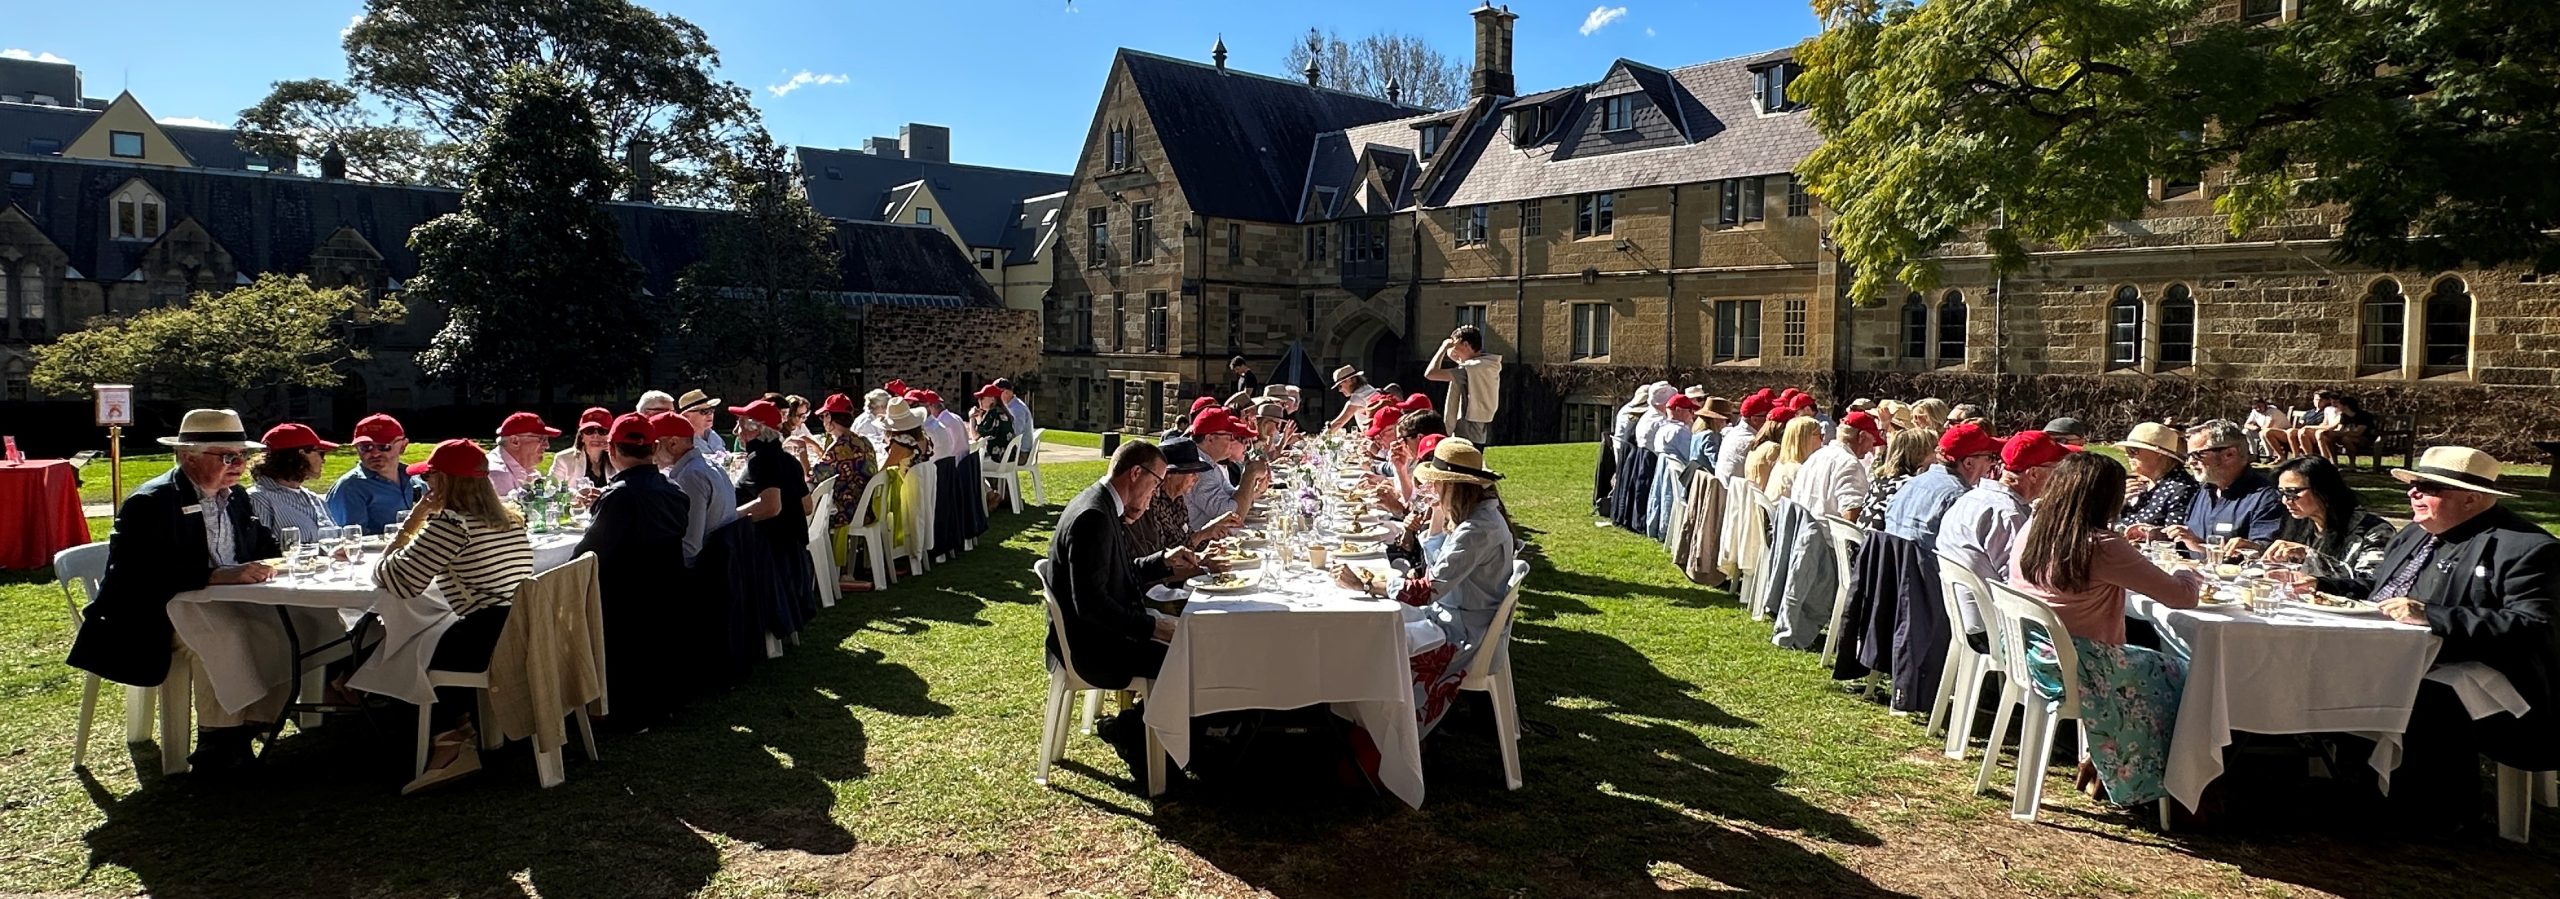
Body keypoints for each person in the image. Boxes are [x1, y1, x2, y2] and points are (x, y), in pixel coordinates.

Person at [2296, 445, 2560, 830]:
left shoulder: (2527, 549)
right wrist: (2322, 584)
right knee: (2323, 666)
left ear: (2472, 498)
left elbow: (2532, 626)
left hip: (2495, 673)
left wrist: (2433, 616)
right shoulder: (2413, 536)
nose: (2413, 493)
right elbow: (2380, 590)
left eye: (2428, 487)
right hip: (2394, 652)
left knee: (2426, 695)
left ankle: (2434, 813)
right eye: (2413, 484)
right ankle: (2352, 781)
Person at [66, 409, 282, 774]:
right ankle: (220, 743)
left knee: (286, 624)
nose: (238, 465)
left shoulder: (236, 498)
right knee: (223, 636)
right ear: (187, 457)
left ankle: (260, 718)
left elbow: (263, 546)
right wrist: (217, 576)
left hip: (223, 604)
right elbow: (139, 574)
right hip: (150, 617)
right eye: (228, 457)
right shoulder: (152, 502)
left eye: (243, 456)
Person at [2010, 452, 2206, 807]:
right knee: (2190, 674)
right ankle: (2163, 784)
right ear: (2109, 499)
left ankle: (2106, 766)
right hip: (2085, 667)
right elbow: (2180, 598)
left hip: (2038, 656)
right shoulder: (2101, 545)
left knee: (2157, 659)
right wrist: (2189, 573)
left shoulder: (2034, 527)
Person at [375, 438, 537, 794]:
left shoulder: (452, 524)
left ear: (444, 481)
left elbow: (394, 579)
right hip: (523, 626)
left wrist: (413, 522)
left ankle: (450, 742)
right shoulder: (510, 518)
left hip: (490, 633)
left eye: (430, 477)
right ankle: (458, 732)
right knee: (430, 634)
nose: (425, 486)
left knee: (408, 648)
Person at [1332, 437, 1518, 737]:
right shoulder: (1477, 516)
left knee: (1377, 646)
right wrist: (1438, 514)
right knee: (1375, 627)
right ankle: (1361, 726)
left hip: (1462, 633)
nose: (1430, 489)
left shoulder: (1476, 530)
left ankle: (1383, 737)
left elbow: (1424, 591)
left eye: (1436, 484)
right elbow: (1437, 570)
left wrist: (1365, 581)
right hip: (1454, 615)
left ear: (1453, 487)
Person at [1046, 441, 1200, 693]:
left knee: (1189, 643)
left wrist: (1163, 561)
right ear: (1136, 473)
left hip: (1100, 635)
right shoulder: (1094, 517)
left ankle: (1155, 724)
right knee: (1191, 656)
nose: (1154, 494)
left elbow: (1116, 572)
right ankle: (1143, 728)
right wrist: (1154, 627)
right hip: (1096, 649)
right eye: (1155, 484)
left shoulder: (1102, 504)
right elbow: (1092, 605)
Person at [573, 413, 690, 729]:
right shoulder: (674, 491)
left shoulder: (621, 495)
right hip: (668, 588)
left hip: (626, 598)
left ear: (613, 451)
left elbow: (586, 556)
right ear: (654, 448)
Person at [1939, 429, 2073, 651]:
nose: (2061, 478)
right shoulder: (2007, 514)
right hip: (1993, 629)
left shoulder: (1972, 497)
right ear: (2034, 474)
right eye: (2056, 470)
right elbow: (2023, 585)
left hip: (1966, 619)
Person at [2260, 456, 2397, 594]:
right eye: (2281, 493)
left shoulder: (2375, 531)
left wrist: (2310, 557)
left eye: (2292, 492)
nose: (2285, 501)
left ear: (2323, 490)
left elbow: (2371, 583)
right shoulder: (2299, 522)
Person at [2164, 419, 2284, 561]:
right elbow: (2187, 542)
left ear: (2229, 455)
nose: (2190, 462)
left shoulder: (2264, 498)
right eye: (2188, 456)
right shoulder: (2204, 492)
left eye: (2197, 455)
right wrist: (2160, 535)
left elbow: (2265, 555)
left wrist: (2201, 546)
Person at [809, 393, 883, 586]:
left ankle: (816, 570)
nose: (823, 420)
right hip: (865, 507)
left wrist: (801, 452)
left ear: (830, 419)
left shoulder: (838, 447)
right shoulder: (863, 441)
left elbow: (813, 477)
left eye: (824, 416)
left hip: (845, 511)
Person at [655, 409, 738, 567]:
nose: (651, 453)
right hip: (724, 564)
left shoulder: (690, 476)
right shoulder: (708, 465)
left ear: (673, 443)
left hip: (708, 573)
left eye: (655, 445)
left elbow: (690, 548)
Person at [1125, 436, 1226, 557]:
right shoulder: (1150, 502)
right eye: (1191, 472)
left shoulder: (1177, 499)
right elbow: (1165, 555)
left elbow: (1186, 539)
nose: (1196, 478)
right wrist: (1205, 533)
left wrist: (1207, 543)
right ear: (1169, 474)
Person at [328, 413, 423, 534]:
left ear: (403, 446)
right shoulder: (351, 488)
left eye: (384, 446)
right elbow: (351, 541)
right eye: (365, 447)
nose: (374, 454)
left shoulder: (417, 478)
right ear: (357, 448)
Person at [247, 422, 338, 542]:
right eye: (321, 453)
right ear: (301, 454)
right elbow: (261, 551)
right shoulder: (259, 498)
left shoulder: (314, 499)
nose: (323, 460)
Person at [1185, 408, 1267, 533]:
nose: (1233, 441)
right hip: (1199, 547)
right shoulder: (1200, 467)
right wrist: (1250, 474)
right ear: (1210, 439)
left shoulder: (1209, 462)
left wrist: (1255, 488)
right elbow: (1233, 515)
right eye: (1230, 436)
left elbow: (1233, 496)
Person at [1791, 410, 1884, 520]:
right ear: (1861, 437)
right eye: (1872, 442)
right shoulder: (1850, 464)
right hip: (1828, 535)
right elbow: (1852, 515)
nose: (1870, 449)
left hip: (1803, 532)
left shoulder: (1815, 457)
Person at [2116, 422, 2200, 542]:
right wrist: (2119, 503)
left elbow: (2175, 538)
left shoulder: (2181, 488)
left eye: (2133, 450)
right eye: (2127, 450)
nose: (2128, 455)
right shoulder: (2141, 484)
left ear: (2158, 453)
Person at [1426, 325, 1504, 446]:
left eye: (1455, 345)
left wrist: (1443, 347)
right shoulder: (1488, 364)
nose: (1453, 348)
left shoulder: (1467, 370)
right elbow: (1455, 356)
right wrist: (1454, 346)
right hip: (1480, 427)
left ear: (1466, 345)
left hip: (1466, 430)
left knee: (1462, 462)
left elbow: (1430, 373)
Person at [1863, 425, 1939, 526]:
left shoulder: (1878, 481)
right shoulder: (1911, 487)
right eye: (1935, 450)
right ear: (1920, 455)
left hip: (1866, 539)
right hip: (1886, 540)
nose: (1939, 455)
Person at [487, 411, 560, 496]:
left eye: (547, 439)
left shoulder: (528, 469)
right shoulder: (498, 475)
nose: (547, 446)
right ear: (515, 441)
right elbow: (508, 509)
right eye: (541, 439)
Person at [551, 407, 615, 494]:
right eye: (589, 431)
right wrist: (577, 495)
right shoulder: (563, 459)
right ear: (582, 436)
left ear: (610, 435)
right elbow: (552, 487)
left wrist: (614, 454)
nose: (595, 436)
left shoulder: (618, 459)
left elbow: (625, 485)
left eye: (602, 431)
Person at [1764, 414, 1825, 501]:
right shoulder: (1800, 470)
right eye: (1820, 436)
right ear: (1806, 439)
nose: (1822, 441)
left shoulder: (1782, 465)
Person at [1716, 392, 1772, 481]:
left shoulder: (1732, 432)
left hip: (1725, 490)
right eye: (1767, 417)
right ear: (1755, 419)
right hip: (1736, 492)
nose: (1770, 421)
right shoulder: (1753, 442)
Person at [676, 389, 728, 465]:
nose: (710, 414)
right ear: (686, 416)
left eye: (711, 410)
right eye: (704, 411)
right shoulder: (683, 442)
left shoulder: (713, 435)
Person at [972, 382, 1018, 461]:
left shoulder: (993, 414)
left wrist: (971, 418)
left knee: (968, 461)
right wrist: (979, 418)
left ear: (992, 399)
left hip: (997, 458)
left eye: (982, 398)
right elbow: (983, 430)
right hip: (1009, 457)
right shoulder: (1002, 411)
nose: (979, 401)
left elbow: (976, 437)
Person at [1328, 365, 1379, 432]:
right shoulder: (1368, 388)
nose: (1339, 390)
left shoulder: (1357, 397)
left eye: (1340, 386)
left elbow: (1338, 423)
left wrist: (1320, 439)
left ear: (1349, 380)